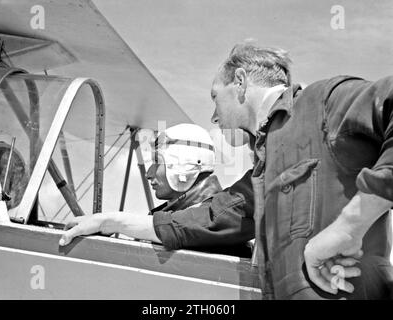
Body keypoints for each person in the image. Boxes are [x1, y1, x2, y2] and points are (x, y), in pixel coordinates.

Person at [209, 40, 393, 299]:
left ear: (239, 82)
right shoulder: (265, 157)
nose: (214, 117)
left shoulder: (323, 102)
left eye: (214, 96)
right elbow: (214, 216)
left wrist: (349, 226)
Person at [59, 123, 254, 257]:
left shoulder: (208, 234)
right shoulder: (188, 219)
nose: (149, 173)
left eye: (157, 162)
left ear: (183, 166)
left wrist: (111, 221)